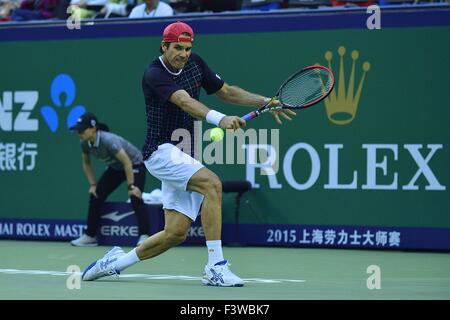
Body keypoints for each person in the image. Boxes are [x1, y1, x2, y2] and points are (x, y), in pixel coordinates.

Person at [81, 21, 295, 287]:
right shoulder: (154, 73)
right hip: (161, 152)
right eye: (178, 48)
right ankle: (216, 266)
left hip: (185, 155)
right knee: (213, 184)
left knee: (174, 233)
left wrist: (265, 101)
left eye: (188, 48)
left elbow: (226, 91)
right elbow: (183, 100)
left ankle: (115, 263)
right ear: (164, 46)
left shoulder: (195, 64)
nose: (183, 54)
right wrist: (220, 119)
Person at [69, 112, 151, 247]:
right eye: (78, 130)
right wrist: (93, 184)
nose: (79, 133)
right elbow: (86, 163)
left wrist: (131, 186)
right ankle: (90, 236)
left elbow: (127, 162)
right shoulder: (84, 143)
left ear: (93, 128)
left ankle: (145, 235)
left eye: (82, 129)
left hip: (134, 164)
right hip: (116, 167)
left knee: (135, 195)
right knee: (96, 195)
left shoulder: (108, 140)